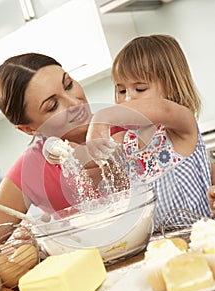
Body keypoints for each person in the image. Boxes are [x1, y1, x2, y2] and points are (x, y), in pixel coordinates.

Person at [0, 52, 126, 241]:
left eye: (69, 85)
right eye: (52, 106)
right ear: (28, 129)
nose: (75, 103)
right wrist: (25, 236)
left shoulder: (125, 122)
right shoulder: (32, 167)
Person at [86, 34, 214, 232]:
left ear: (171, 88)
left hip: (200, 239)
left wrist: (102, 117)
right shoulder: (124, 142)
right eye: (121, 91)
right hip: (155, 245)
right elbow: (90, 167)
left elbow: (163, 109)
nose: (127, 99)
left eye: (140, 88)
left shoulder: (181, 126)